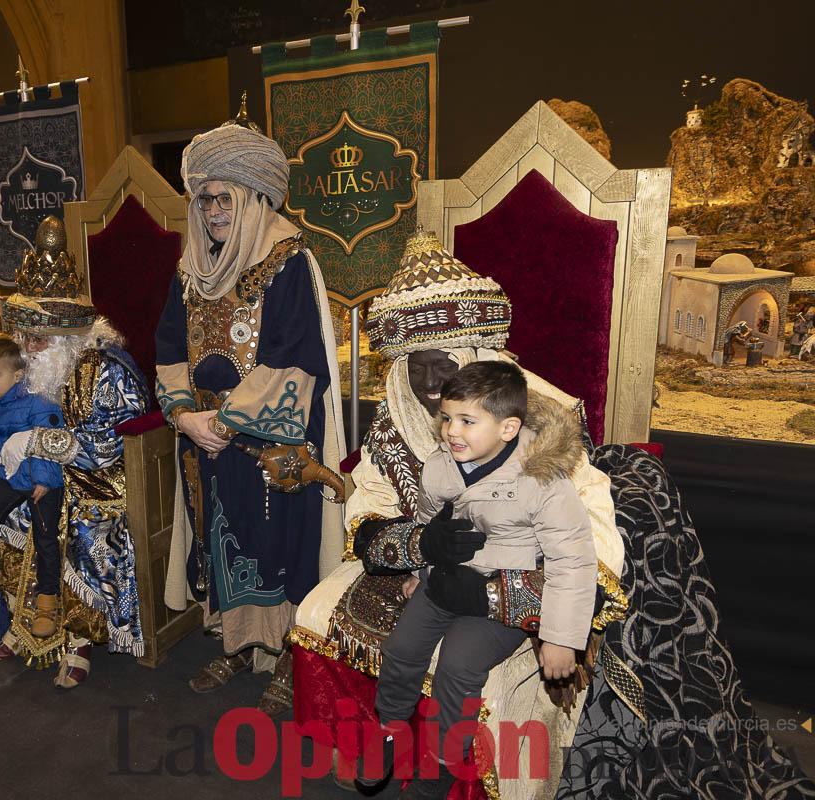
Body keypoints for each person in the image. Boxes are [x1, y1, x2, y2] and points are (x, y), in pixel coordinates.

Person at [289, 231, 625, 799]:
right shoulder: (402, 418)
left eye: (440, 364)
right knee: (324, 610)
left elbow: (583, 540)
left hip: (518, 578)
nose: (427, 385)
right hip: (430, 572)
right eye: (414, 367)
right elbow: (373, 508)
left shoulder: (538, 419)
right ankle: (380, 740)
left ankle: (446, 771)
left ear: (471, 357)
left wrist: (504, 597)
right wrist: (422, 545)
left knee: (462, 667)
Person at [155, 112, 345, 714]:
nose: (211, 212)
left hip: (270, 446)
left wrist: (225, 424)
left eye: (224, 199)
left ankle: (289, 655)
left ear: (255, 198)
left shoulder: (290, 263)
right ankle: (237, 645)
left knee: (278, 548)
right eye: (204, 199)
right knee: (221, 546)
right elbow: (166, 347)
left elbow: (295, 360)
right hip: (205, 442)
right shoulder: (191, 272)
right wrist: (185, 417)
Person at [359, 361, 597, 798]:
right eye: (447, 418)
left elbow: (573, 559)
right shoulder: (439, 466)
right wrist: (420, 568)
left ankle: (441, 766)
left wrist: (562, 638)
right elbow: (430, 522)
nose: (452, 430)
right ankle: (390, 729)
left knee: (457, 667)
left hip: (497, 601)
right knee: (400, 650)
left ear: (508, 428)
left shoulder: (540, 478)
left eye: (468, 421)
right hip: (443, 585)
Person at [0, 215, 149, 690]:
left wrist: (39, 443)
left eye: (40, 338)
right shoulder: (22, 371)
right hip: (37, 478)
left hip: (98, 481)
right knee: (5, 512)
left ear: (68, 336)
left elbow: (113, 443)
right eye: (24, 336)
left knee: (82, 527)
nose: (30, 348)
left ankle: (78, 637)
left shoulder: (105, 369)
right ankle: (26, 621)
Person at [0, 337, 65, 640]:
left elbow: (48, 441)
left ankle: (48, 597)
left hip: (42, 479)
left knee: (45, 535)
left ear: (17, 375)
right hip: (10, 476)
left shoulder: (38, 401)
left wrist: (44, 479)